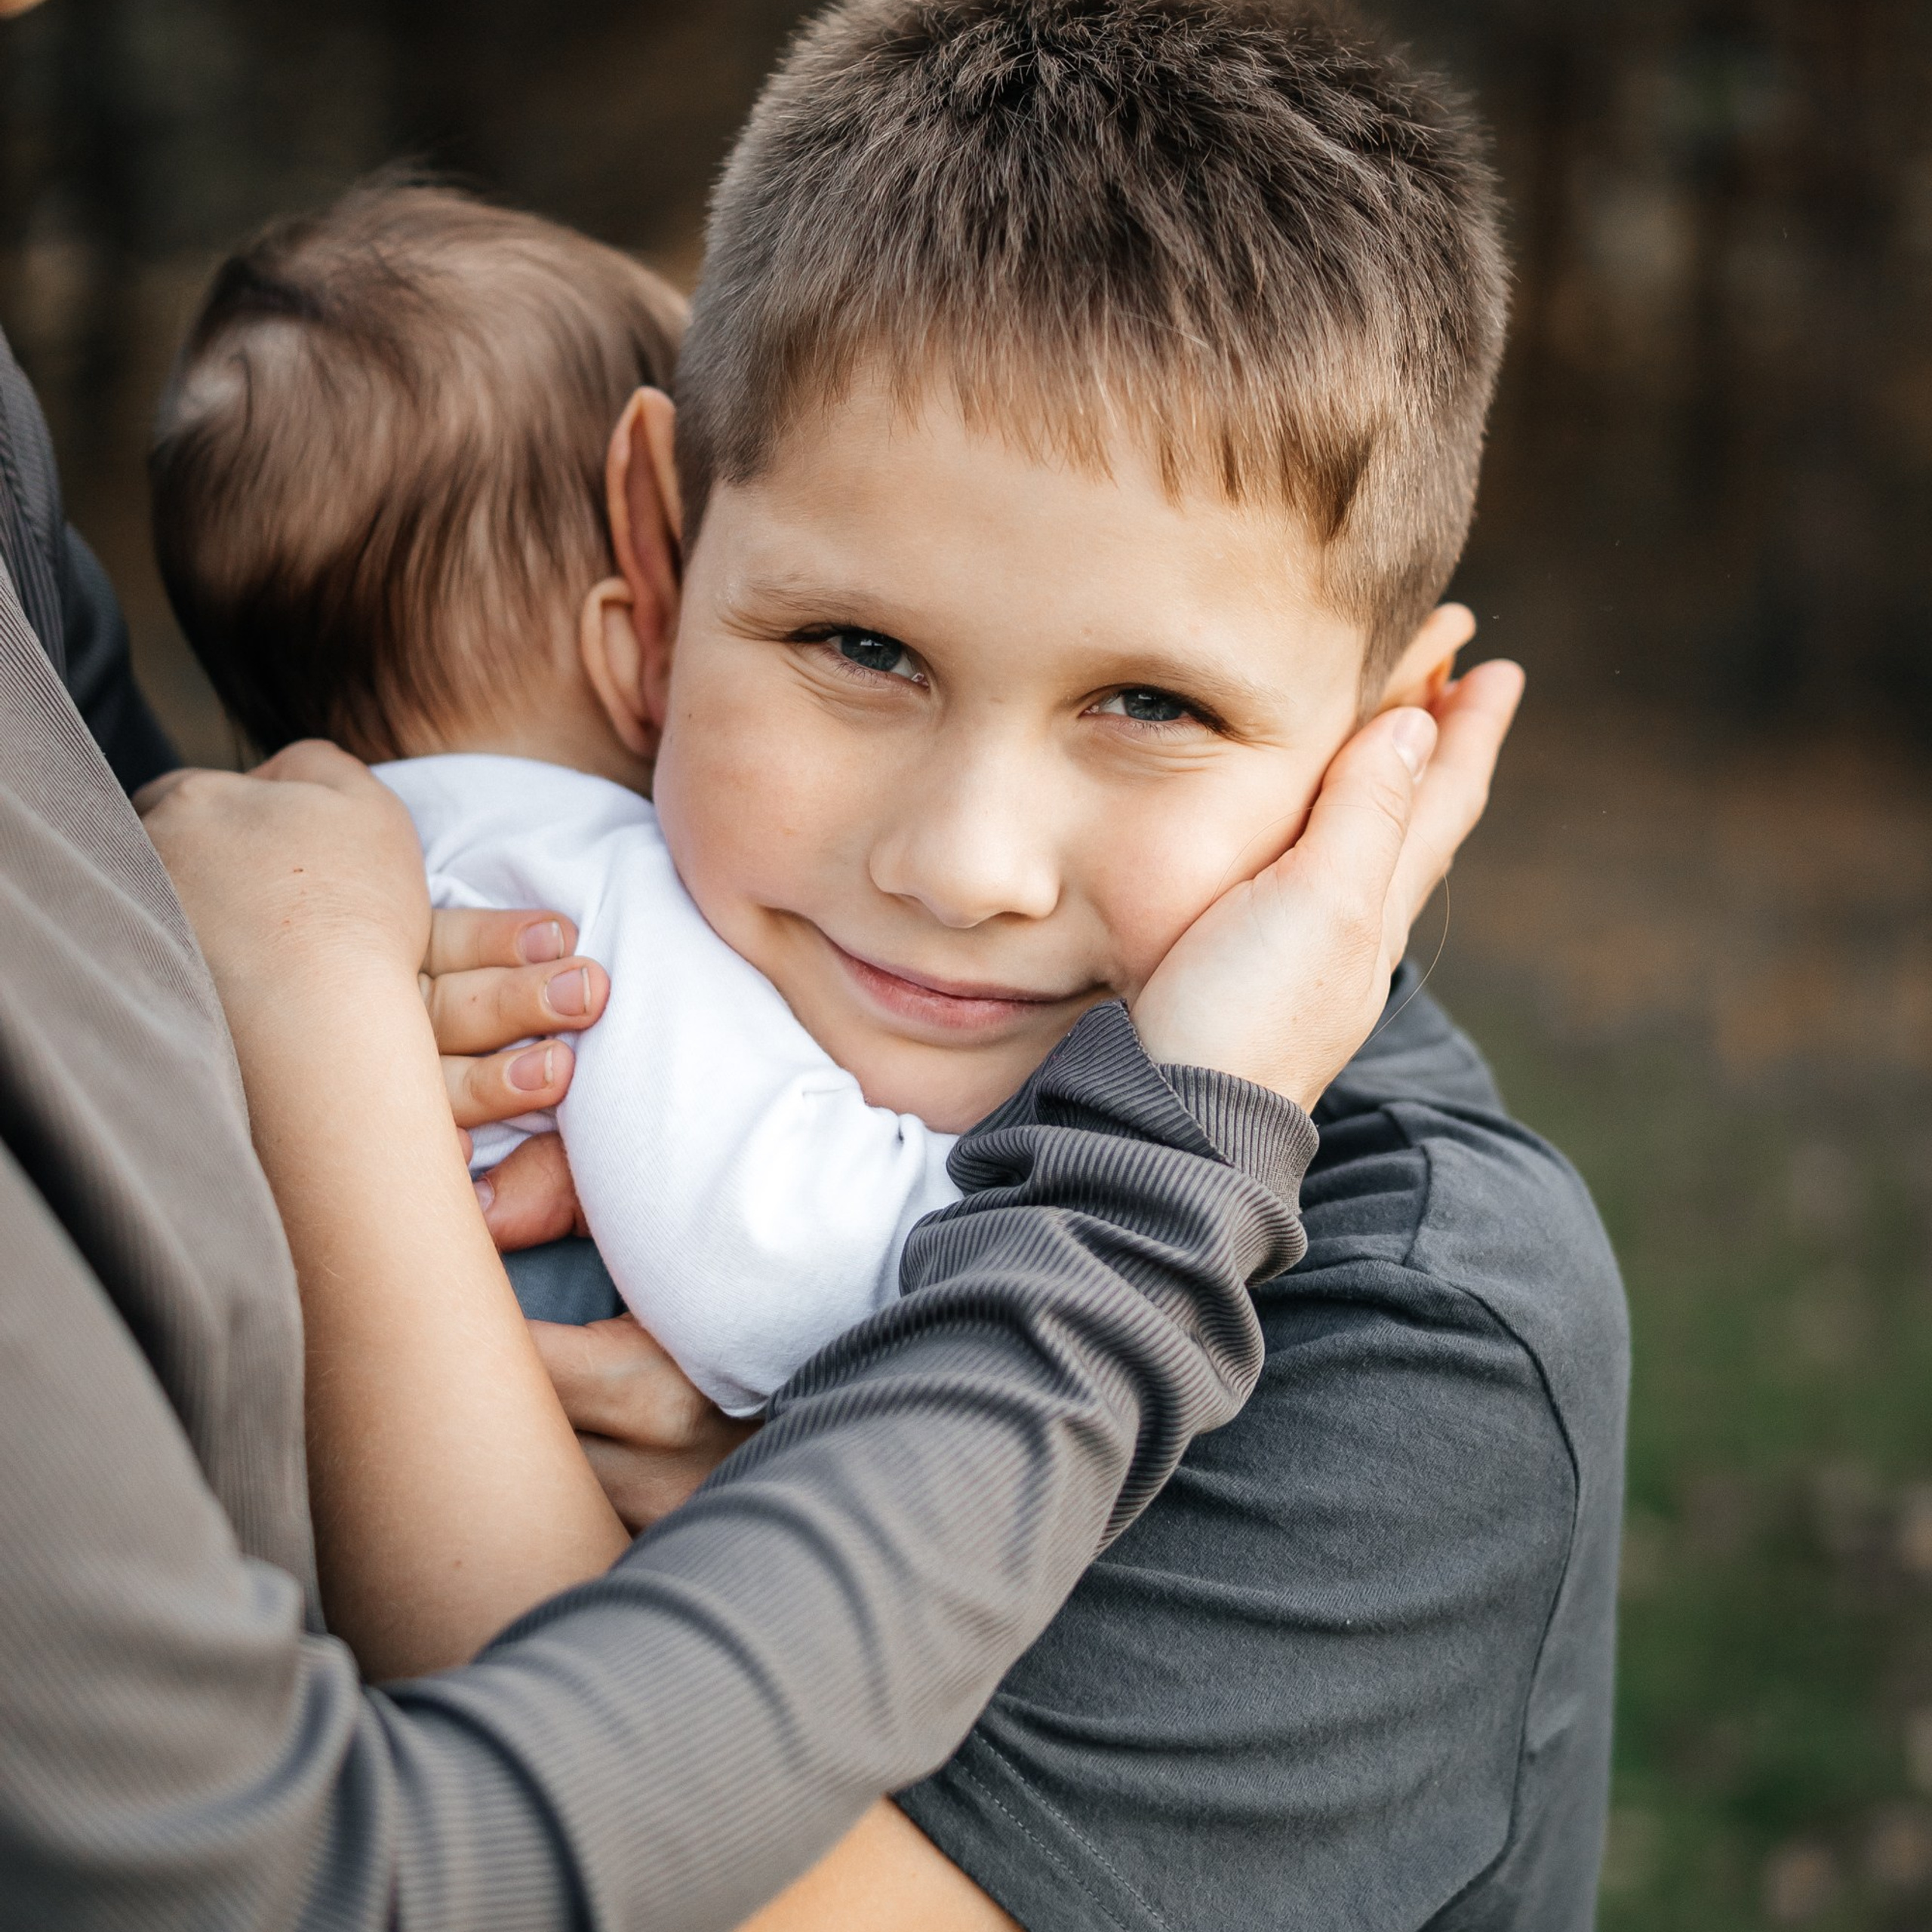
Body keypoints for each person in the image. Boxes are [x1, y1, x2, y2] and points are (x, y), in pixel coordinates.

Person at [135, 3, 1622, 1928]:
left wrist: (308, 1018)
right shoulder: (558, 996)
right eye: (856, 647)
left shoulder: (1421, 1326)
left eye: (1151, 701)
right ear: (656, 570)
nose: (960, 863)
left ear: (1384, 742)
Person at [149, 180, 965, 1417]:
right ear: (640, 627)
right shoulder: (574, 880)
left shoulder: (351, 867)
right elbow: (790, 1281)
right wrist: (1061, 1189)